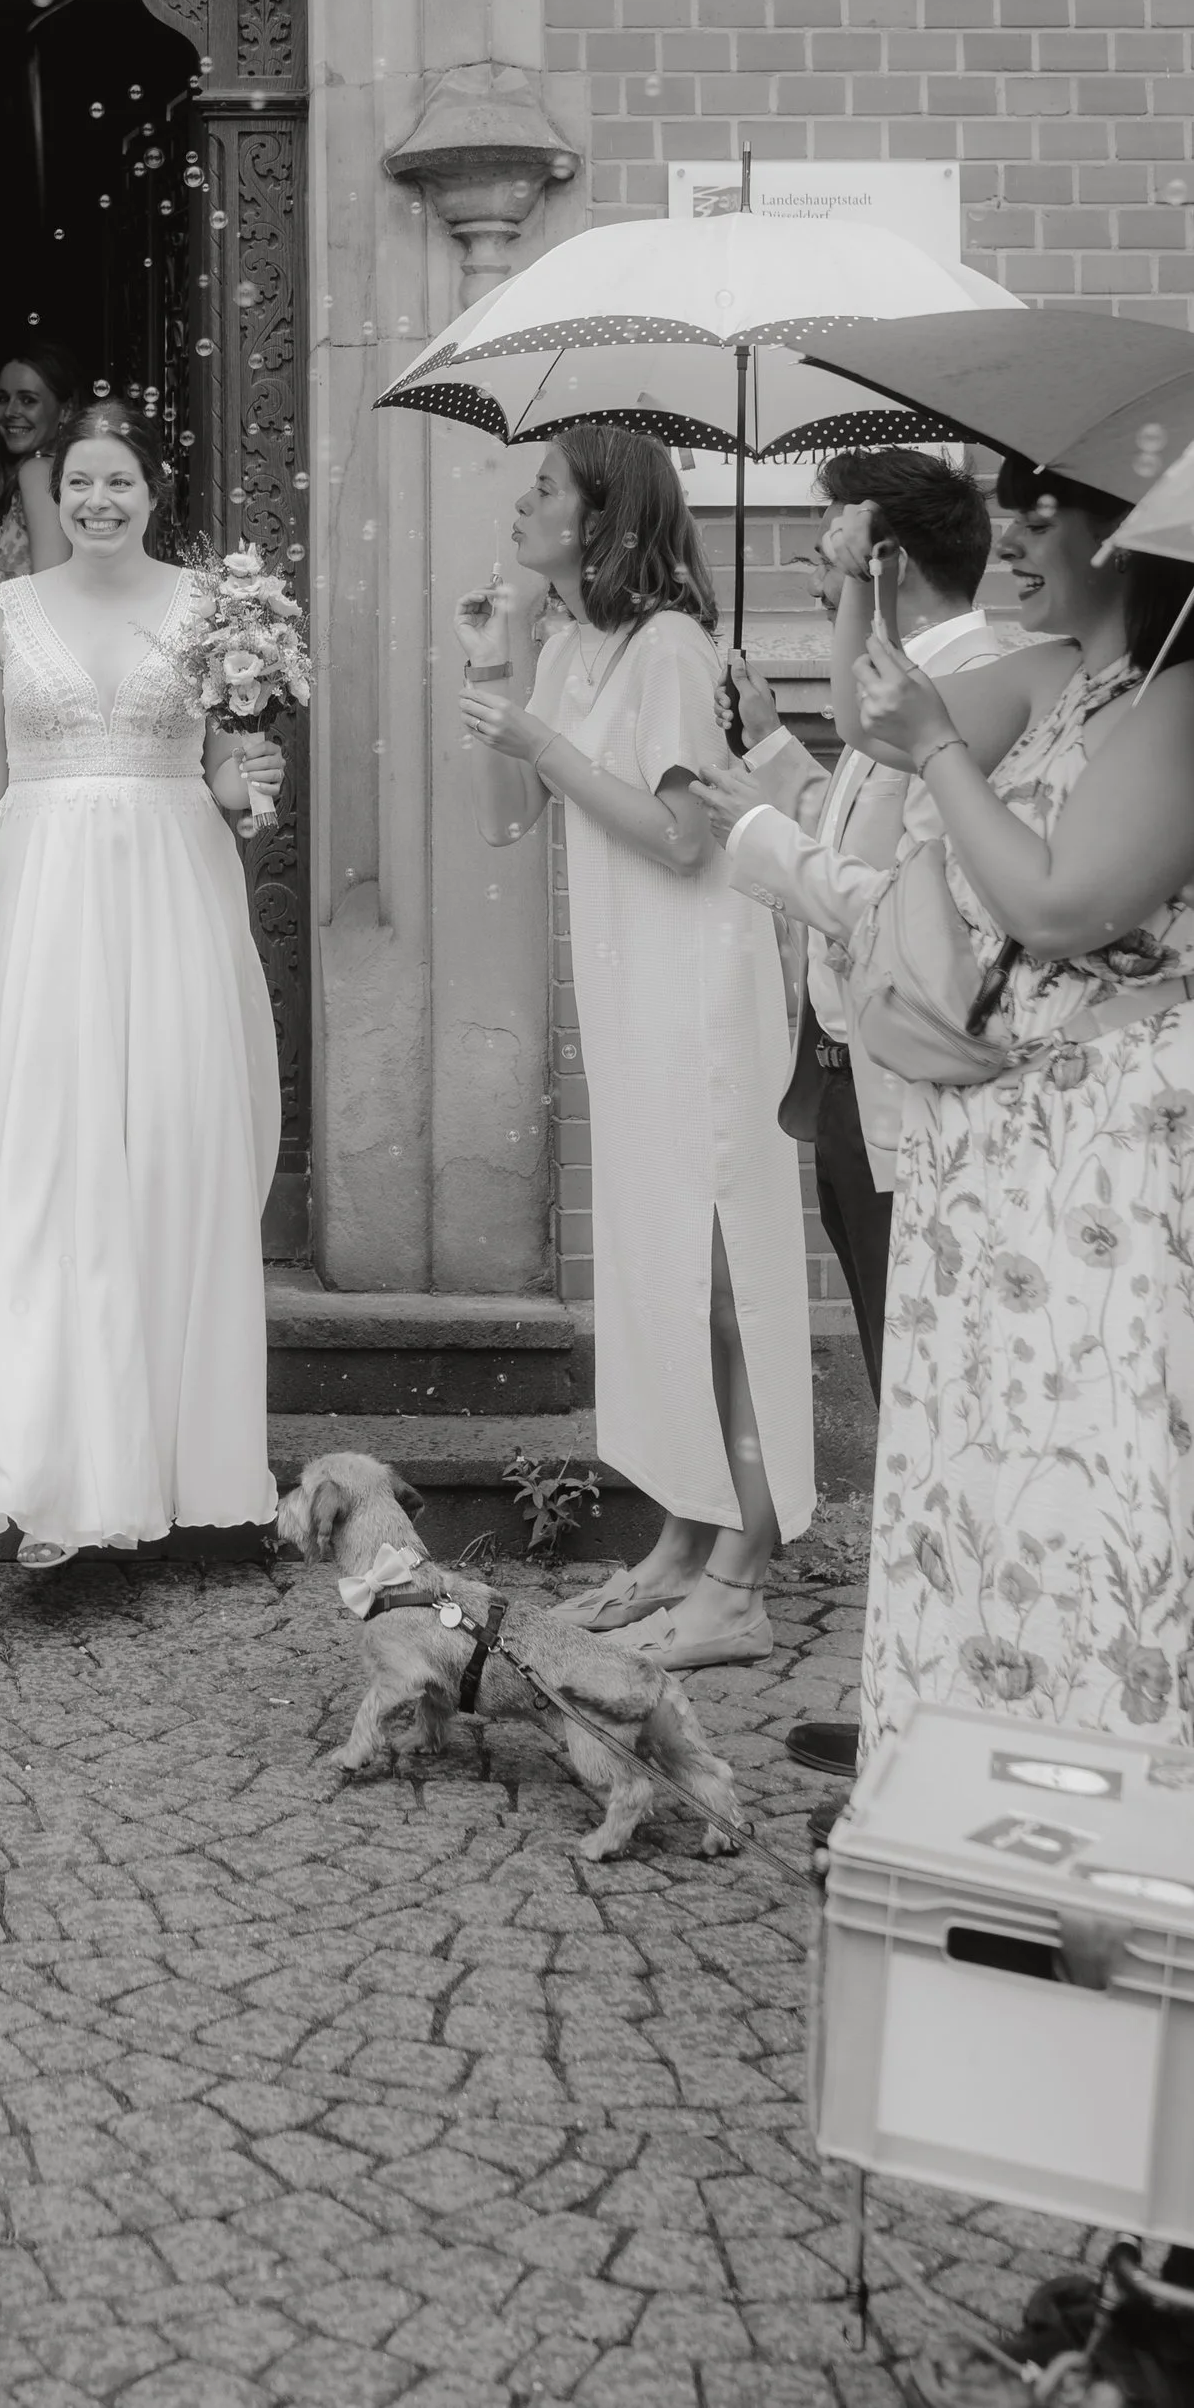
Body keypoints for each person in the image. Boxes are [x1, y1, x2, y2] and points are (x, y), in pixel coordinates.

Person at [0, 405, 283, 1566]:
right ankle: (52, 1476)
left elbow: (228, 780)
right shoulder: (7, 611)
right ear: (53, 495)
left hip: (173, 896)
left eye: (119, 482)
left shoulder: (216, 610)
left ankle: (173, 1465)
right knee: (54, 1167)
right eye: (78, 483)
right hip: (46, 901)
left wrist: (252, 779)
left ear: (154, 493)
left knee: (167, 1155)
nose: (97, 502)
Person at [699, 448, 1055, 1782]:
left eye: (833, 543)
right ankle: (907, 1674)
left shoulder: (966, 689)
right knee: (900, 1380)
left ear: (888, 555)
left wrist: (757, 839)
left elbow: (892, 903)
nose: (816, 563)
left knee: (922, 1387)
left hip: (903, 1092)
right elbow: (853, 799)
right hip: (853, 1079)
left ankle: (930, 1692)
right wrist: (773, 750)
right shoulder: (909, 687)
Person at [851, 458, 1194, 1756]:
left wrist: (940, 750)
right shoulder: (1060, 676)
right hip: (992, 1141)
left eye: (1043, 514)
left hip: (1107, 1145)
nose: (1011, 537)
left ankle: (1091, 1766)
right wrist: (862, 591)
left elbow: (1057, 905)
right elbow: (882, 722)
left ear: (1132, 533)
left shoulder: (1178, 699)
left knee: (1088, 1455)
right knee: (983, 1460)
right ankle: (963, 1762)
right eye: (1007, 511)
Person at [460, 425, 813, 1670]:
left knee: (723, 1277)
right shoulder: (571, 644)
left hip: (696, 986)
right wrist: (496, 668)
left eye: (545, 488)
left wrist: (543, 745)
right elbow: (507, 819)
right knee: (663, 1271)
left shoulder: (669, 646)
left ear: (603, 518)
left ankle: (741, 1576)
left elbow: (680, 838)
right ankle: (679, 1542)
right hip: (625, 990)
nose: (523, 504)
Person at [0, 345, 81, 1044]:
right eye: (3, 398)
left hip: (20, 716)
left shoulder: (39, 473)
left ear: (64, 408)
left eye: (29, 398)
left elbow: (51, 594)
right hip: (21, 704)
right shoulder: (41, 476)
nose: (11, 412)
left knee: (1, 885)